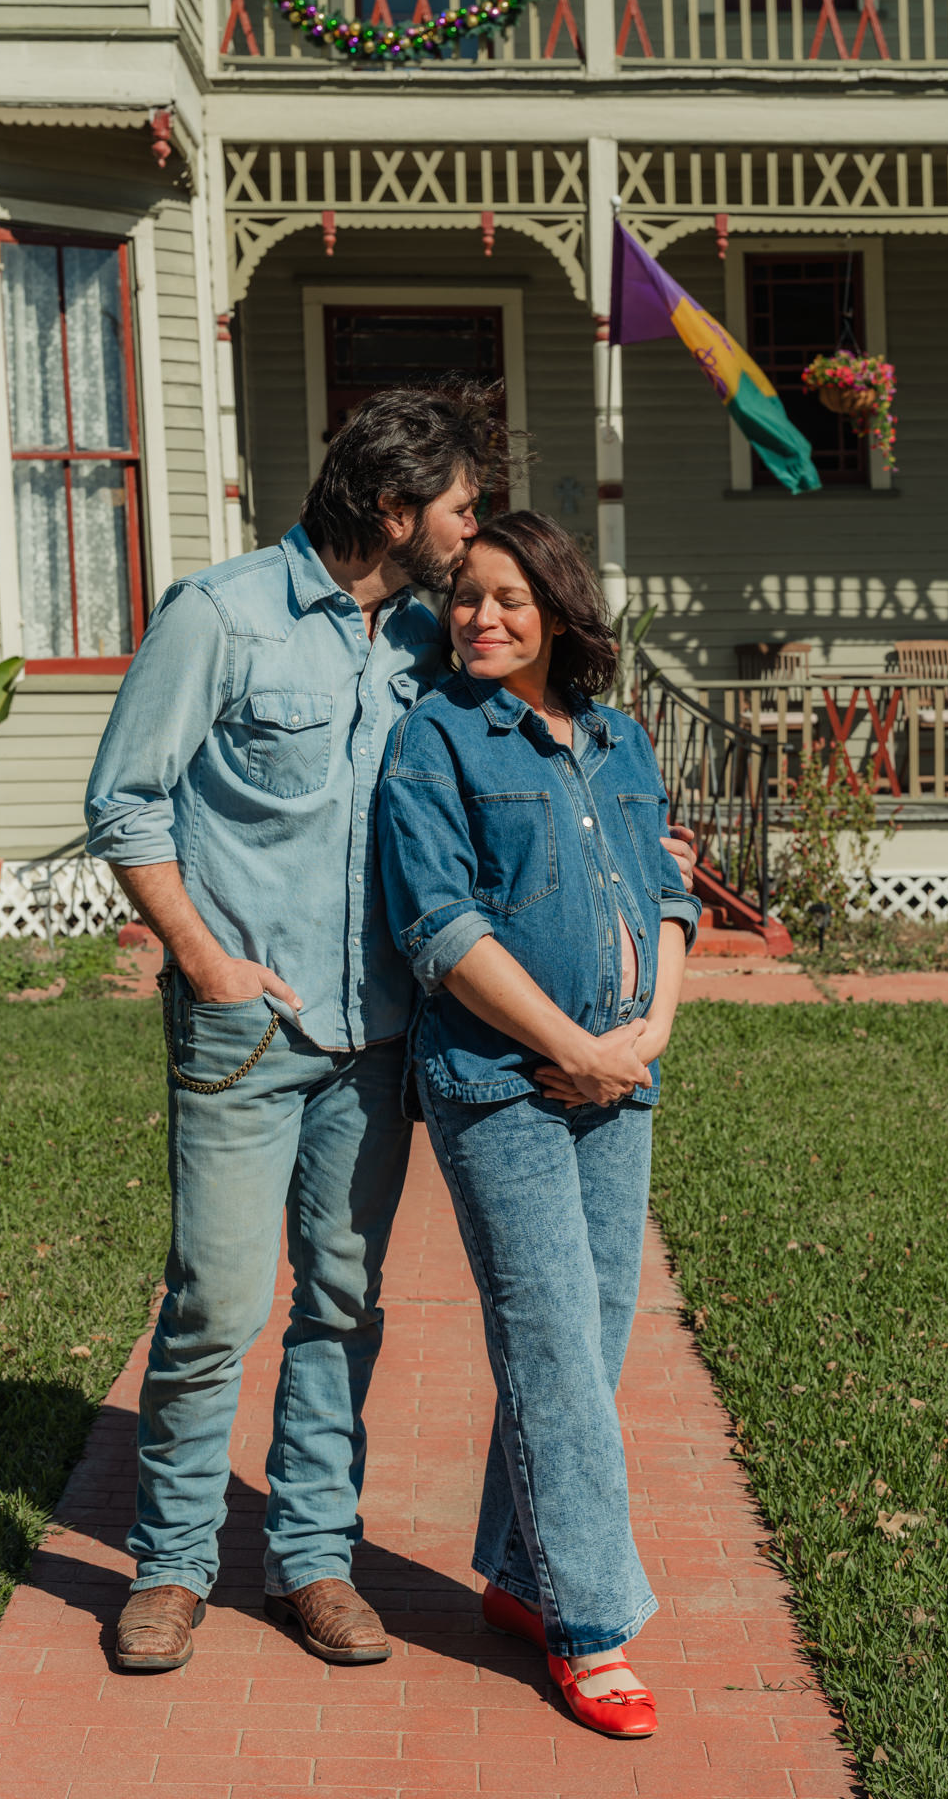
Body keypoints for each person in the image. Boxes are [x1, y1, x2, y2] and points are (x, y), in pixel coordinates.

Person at [83, 386, 695, 1676]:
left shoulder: (425, 640)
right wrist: (207, 961)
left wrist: (638, 853)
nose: (472, 537)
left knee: (345, 1303)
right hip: (251, 1032)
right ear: (395, 507)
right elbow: (124, 799)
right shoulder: (223, 614)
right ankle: (174, 1565)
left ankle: (313, 1557)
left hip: (386, 1039)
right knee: (216, 1303)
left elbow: (523, 757)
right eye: (461, 507)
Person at [377, 511, 699, 1740]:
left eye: (508, 597)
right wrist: (568, 1049)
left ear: (559, 609)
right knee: (554, 1340)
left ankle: (520, 1574)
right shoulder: (436, 738)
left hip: (622, 1073)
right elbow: (442, 929)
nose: (480, 617)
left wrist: (643, 1037)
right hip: (502, 1086)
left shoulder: (615, 739)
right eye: (464, 597)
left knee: (594, 1333)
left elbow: (666, 886)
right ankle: (591, 1624)